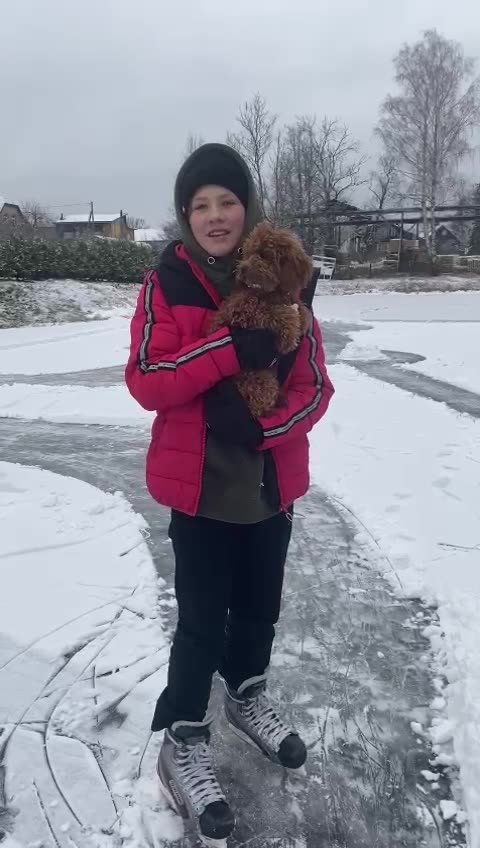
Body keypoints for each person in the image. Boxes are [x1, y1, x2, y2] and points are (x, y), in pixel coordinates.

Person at [125, 143, 334, 845]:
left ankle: (246, 694)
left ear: (249, 209)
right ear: (186, 216)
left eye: (227, 201)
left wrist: (265, 428)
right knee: (199, 622)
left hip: (270, 484)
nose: (215, 217)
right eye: (200, 205)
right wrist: (227, 352)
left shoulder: (290, 287)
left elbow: (314, 388)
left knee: (259, 609)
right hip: (200, 491)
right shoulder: (168, 284)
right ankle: (183, 735)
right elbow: (149, 377)